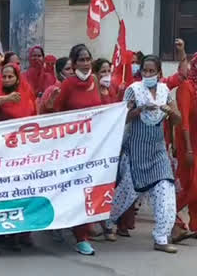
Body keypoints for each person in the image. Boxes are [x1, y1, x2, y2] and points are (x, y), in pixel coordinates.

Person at [107, 55, 180, 253]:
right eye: (145, 71)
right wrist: (140, 110)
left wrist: (170, 112)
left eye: (151, 71)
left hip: (157, 151)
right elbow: (122, 118)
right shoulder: (134, 90)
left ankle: (162, 237)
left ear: (159, 73)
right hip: (136, 150)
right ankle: (109, 222)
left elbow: (177, 119)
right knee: (127, 192)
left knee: (166, 189)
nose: (148, 74)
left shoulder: (165, 91)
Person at [50, 44, 103, 255]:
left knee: (87, 190)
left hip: (94, 147)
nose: (85, 63)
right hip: (72, 149)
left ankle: (83, 235)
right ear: (73, 63)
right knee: (72, 189)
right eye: (81, 60)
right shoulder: (68, 85)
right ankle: (67, 227)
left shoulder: (95, 81)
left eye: (88, 59)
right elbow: (58, 113)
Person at [0, 62, 37, 251]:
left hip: (22, 154)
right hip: (1, 155)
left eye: (10, 77)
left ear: (17, 77)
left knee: (20, 192)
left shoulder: (26, 92)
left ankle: (17, 234)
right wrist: (5, 99)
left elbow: (34, 116)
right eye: (3, 77)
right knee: (2, 193)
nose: (6, 80)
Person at [173, 53, 197, 239]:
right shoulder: (186, 88)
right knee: (191, 185)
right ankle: (169, 215)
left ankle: (195, 225)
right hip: (188, 144)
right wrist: (188, 149)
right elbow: (184, 122)